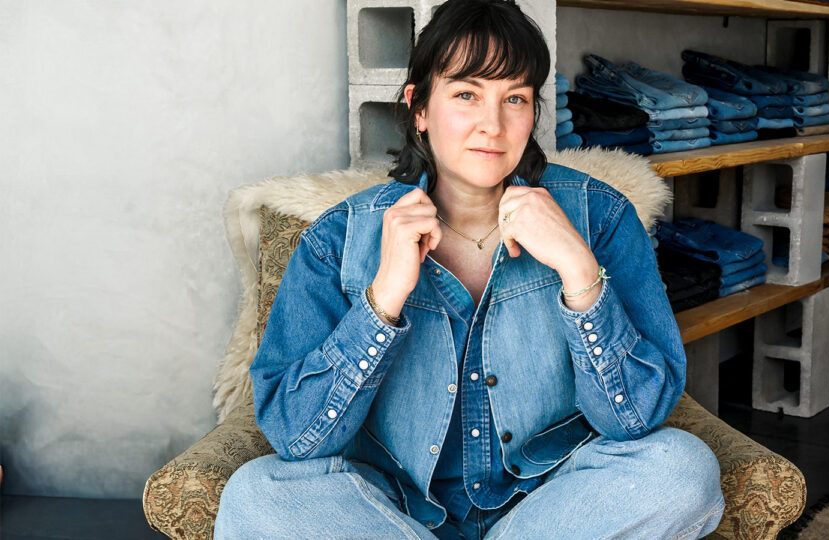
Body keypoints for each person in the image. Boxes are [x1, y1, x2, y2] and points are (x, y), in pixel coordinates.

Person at [214, 1, 724, 538]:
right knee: (256, 495)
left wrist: (579, 272)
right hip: (393, 510)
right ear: (418, 108)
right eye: (465, 94)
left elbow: (636, 420)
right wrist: (383, 298)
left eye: (515, 99)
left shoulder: (601, 217)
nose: (493, 125)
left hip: (553, 502)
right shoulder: (338, 237)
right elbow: (298, 438)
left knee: (681, 468)